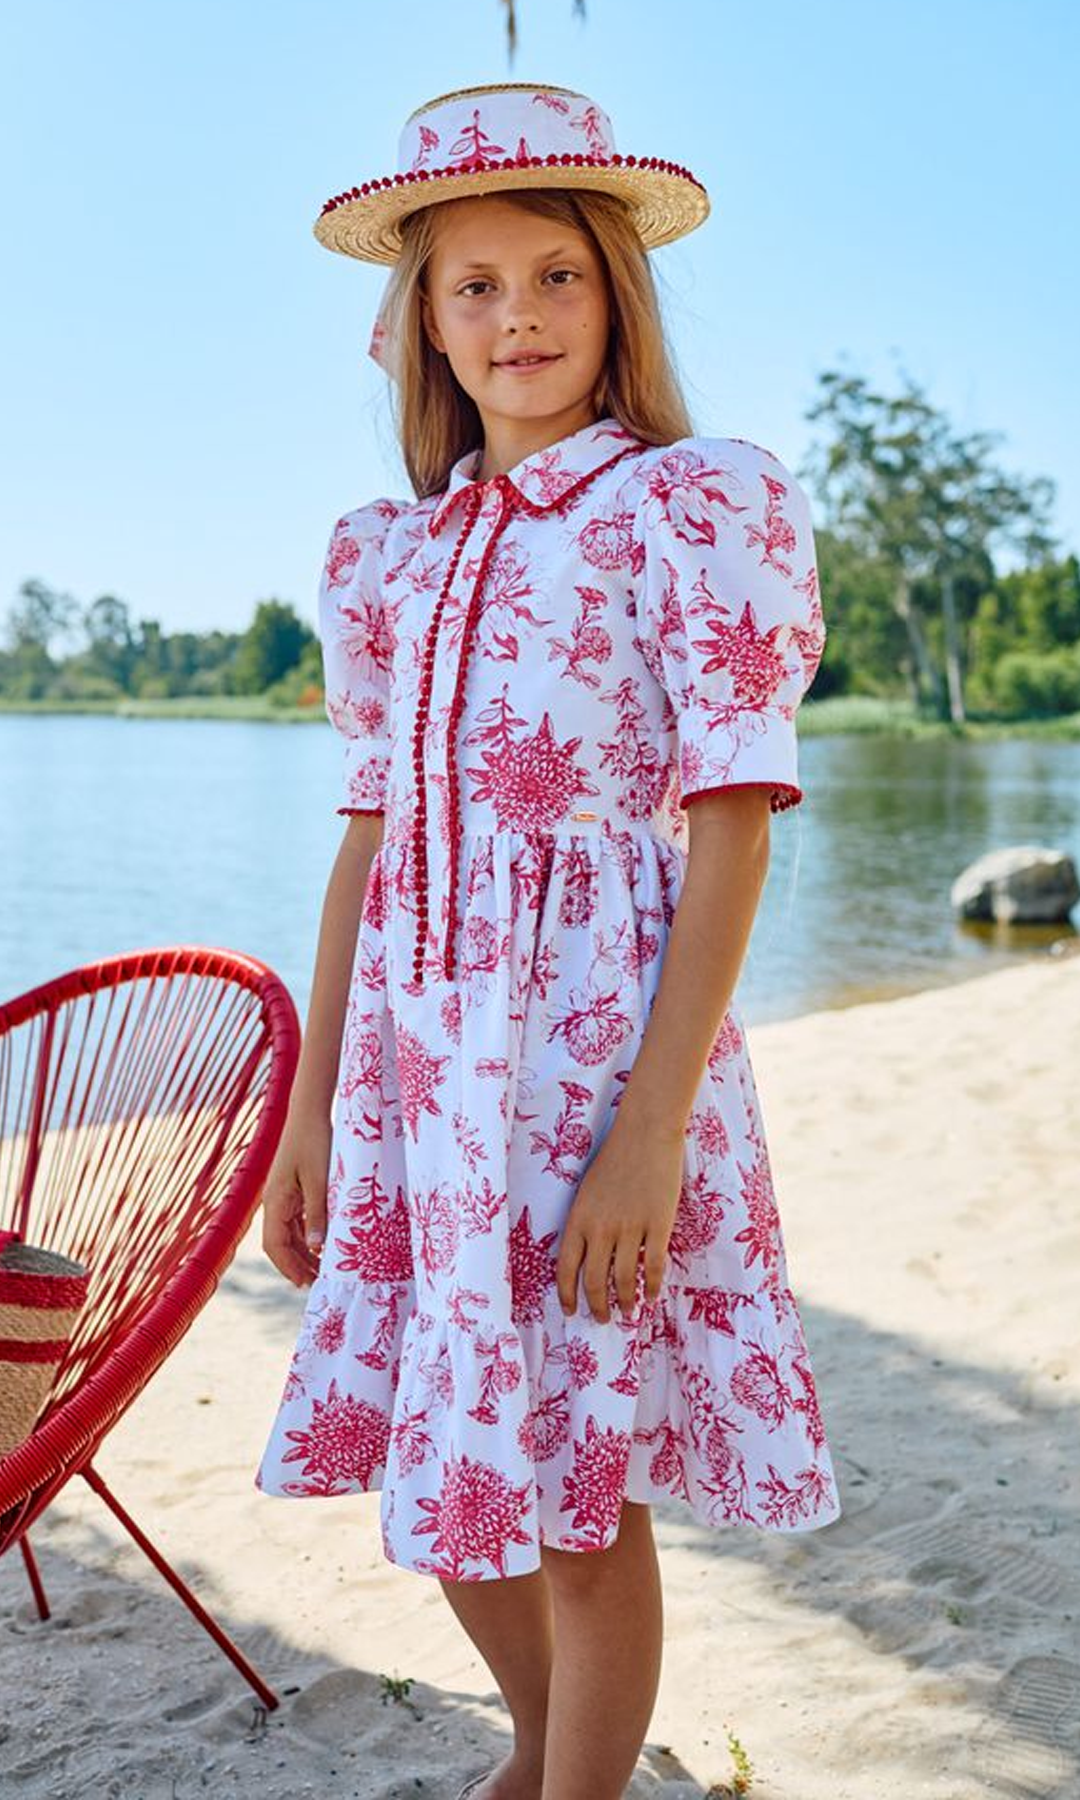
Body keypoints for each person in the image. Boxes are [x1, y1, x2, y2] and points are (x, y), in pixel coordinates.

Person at [255, 80, 842, 1800]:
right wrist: (310, 1107)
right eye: (476, 286)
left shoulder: (684, 506)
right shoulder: (391, 558)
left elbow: (732, 823)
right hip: (417, 1078)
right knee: (439, 1452)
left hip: (591, 1061)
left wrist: (650, 1131)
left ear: (618, 296)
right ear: (425, 326)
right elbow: (370, 847)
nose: (519, 316)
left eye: (558, 275)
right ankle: (540, 1750)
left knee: (578, 1490)